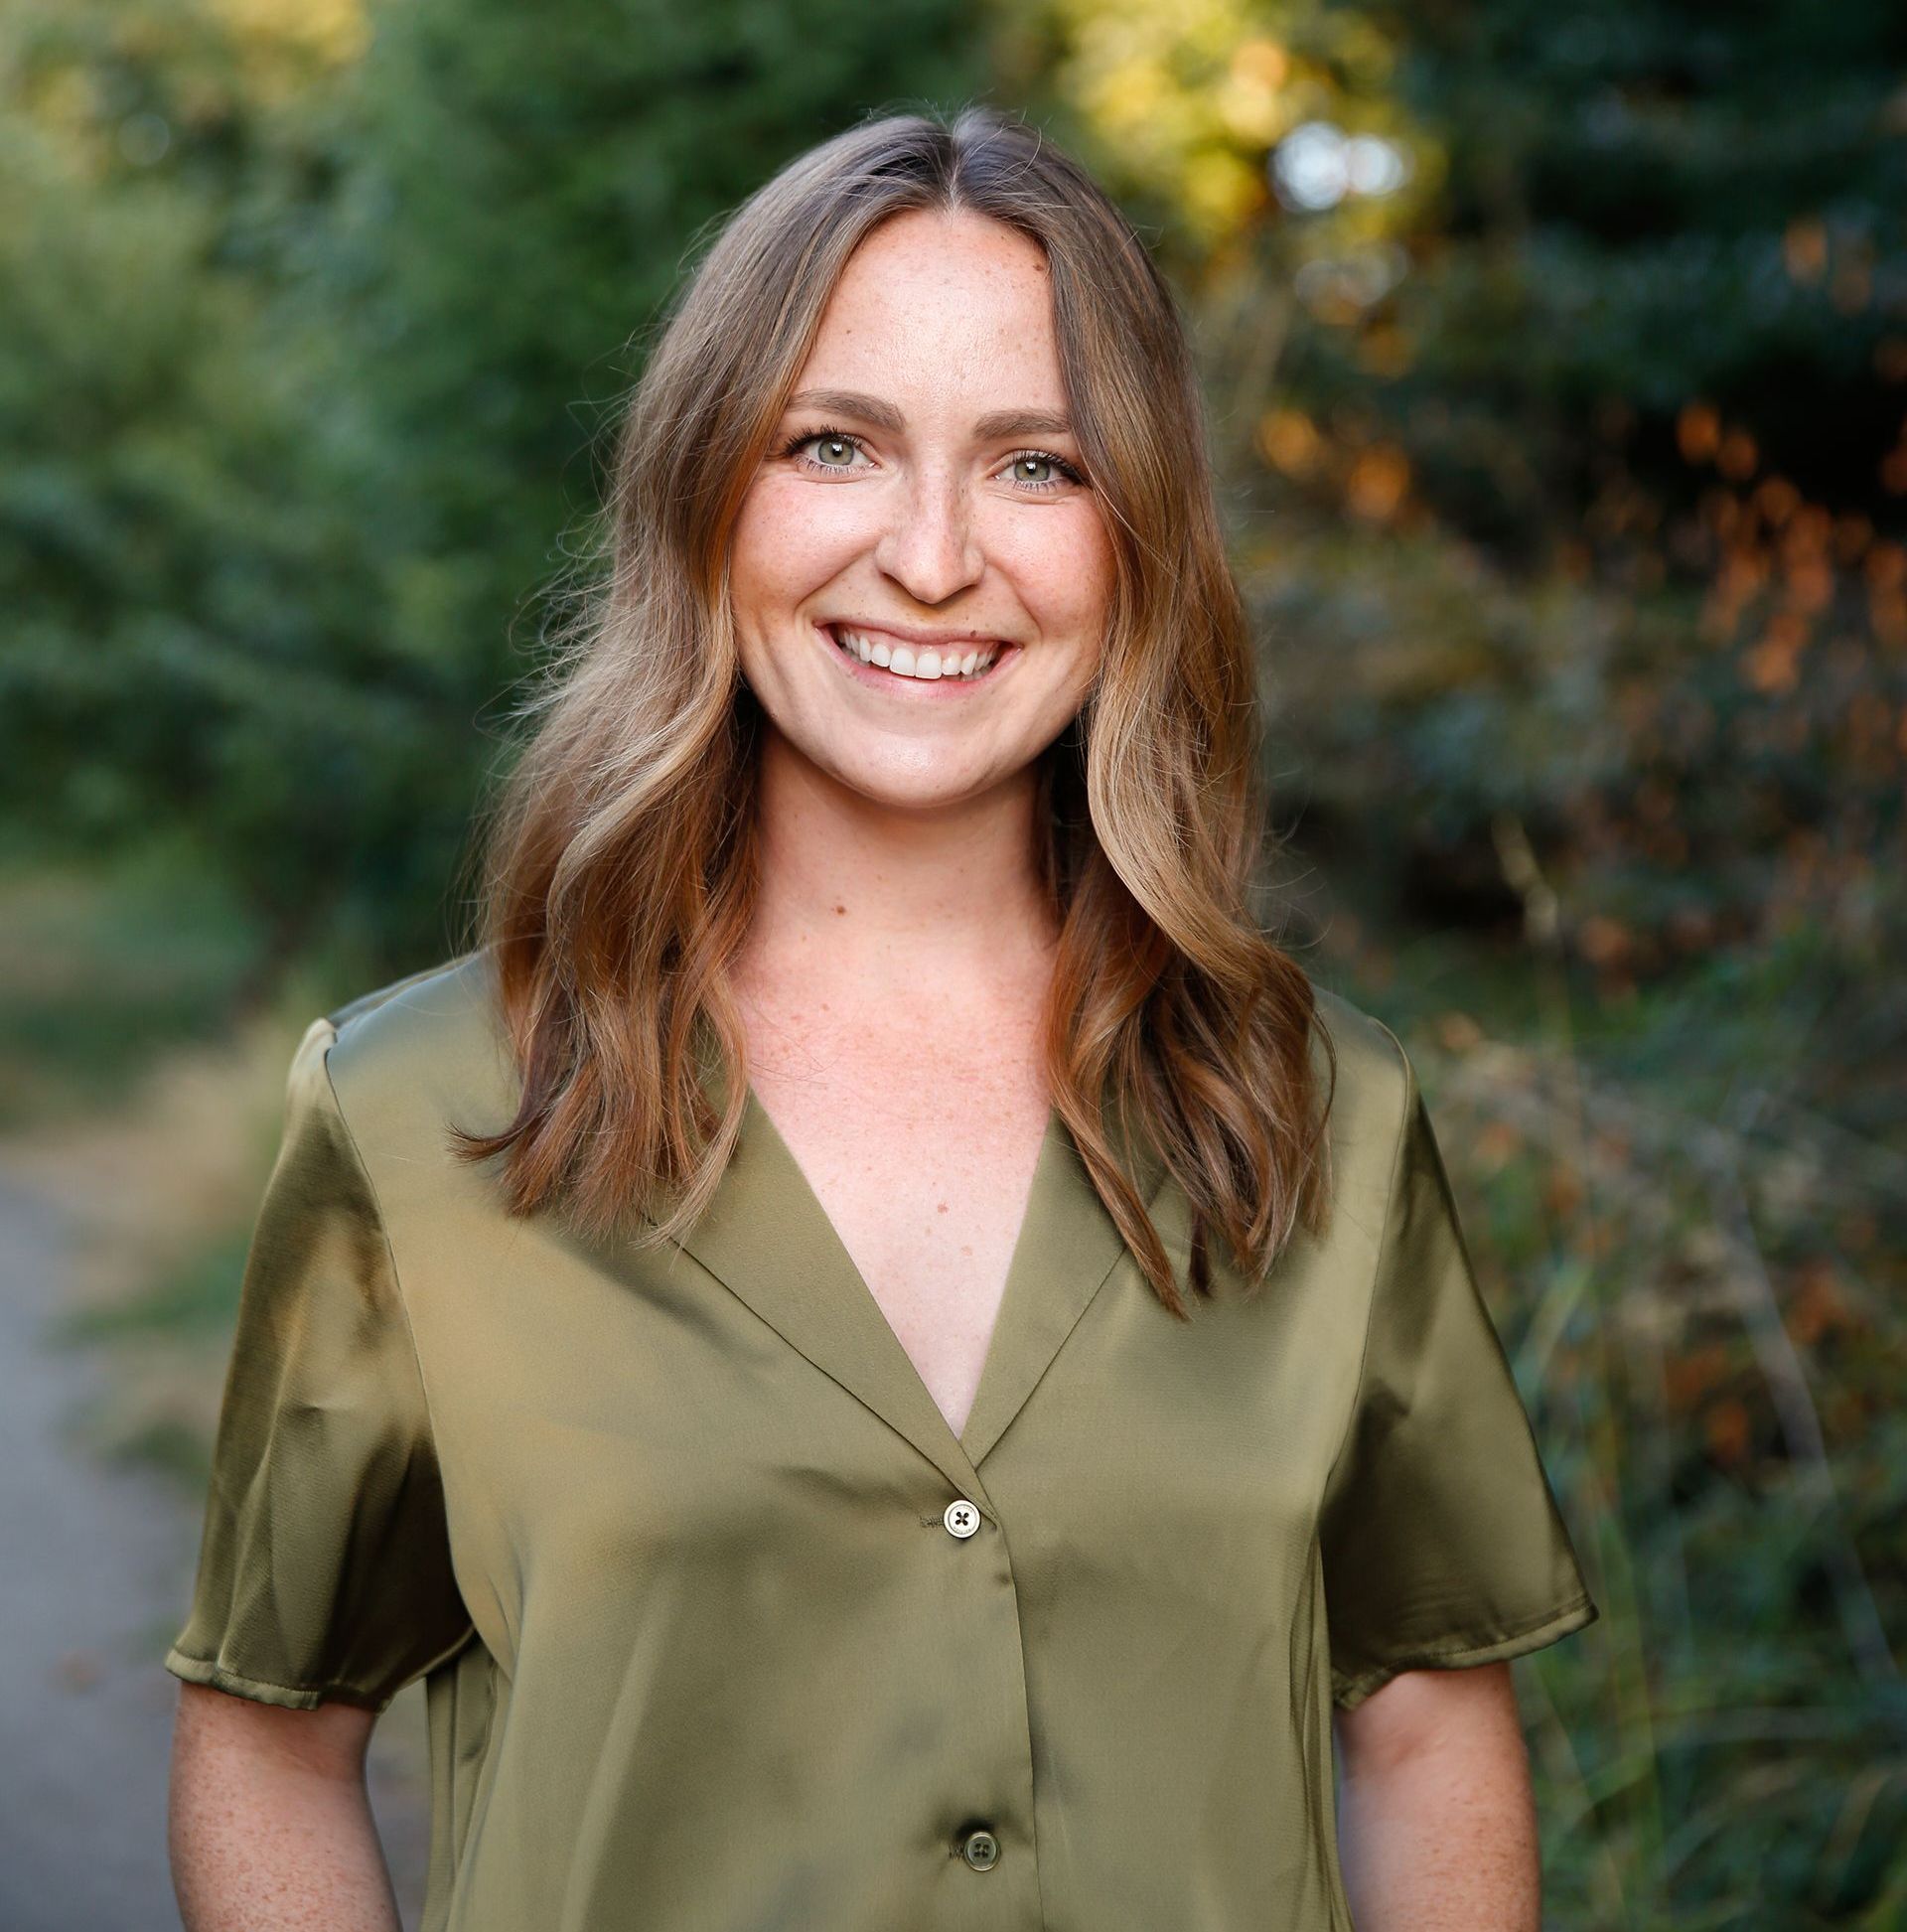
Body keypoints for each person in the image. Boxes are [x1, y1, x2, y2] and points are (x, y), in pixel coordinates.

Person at [164, 104, 1598, 1931]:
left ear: (1138, 538)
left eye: (1038, 466)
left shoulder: (1323, 1112)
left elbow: (1424, 1717)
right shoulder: (420, 1110)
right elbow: (272, 1735)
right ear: (706, 493)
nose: (932, 556)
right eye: (834, 444)